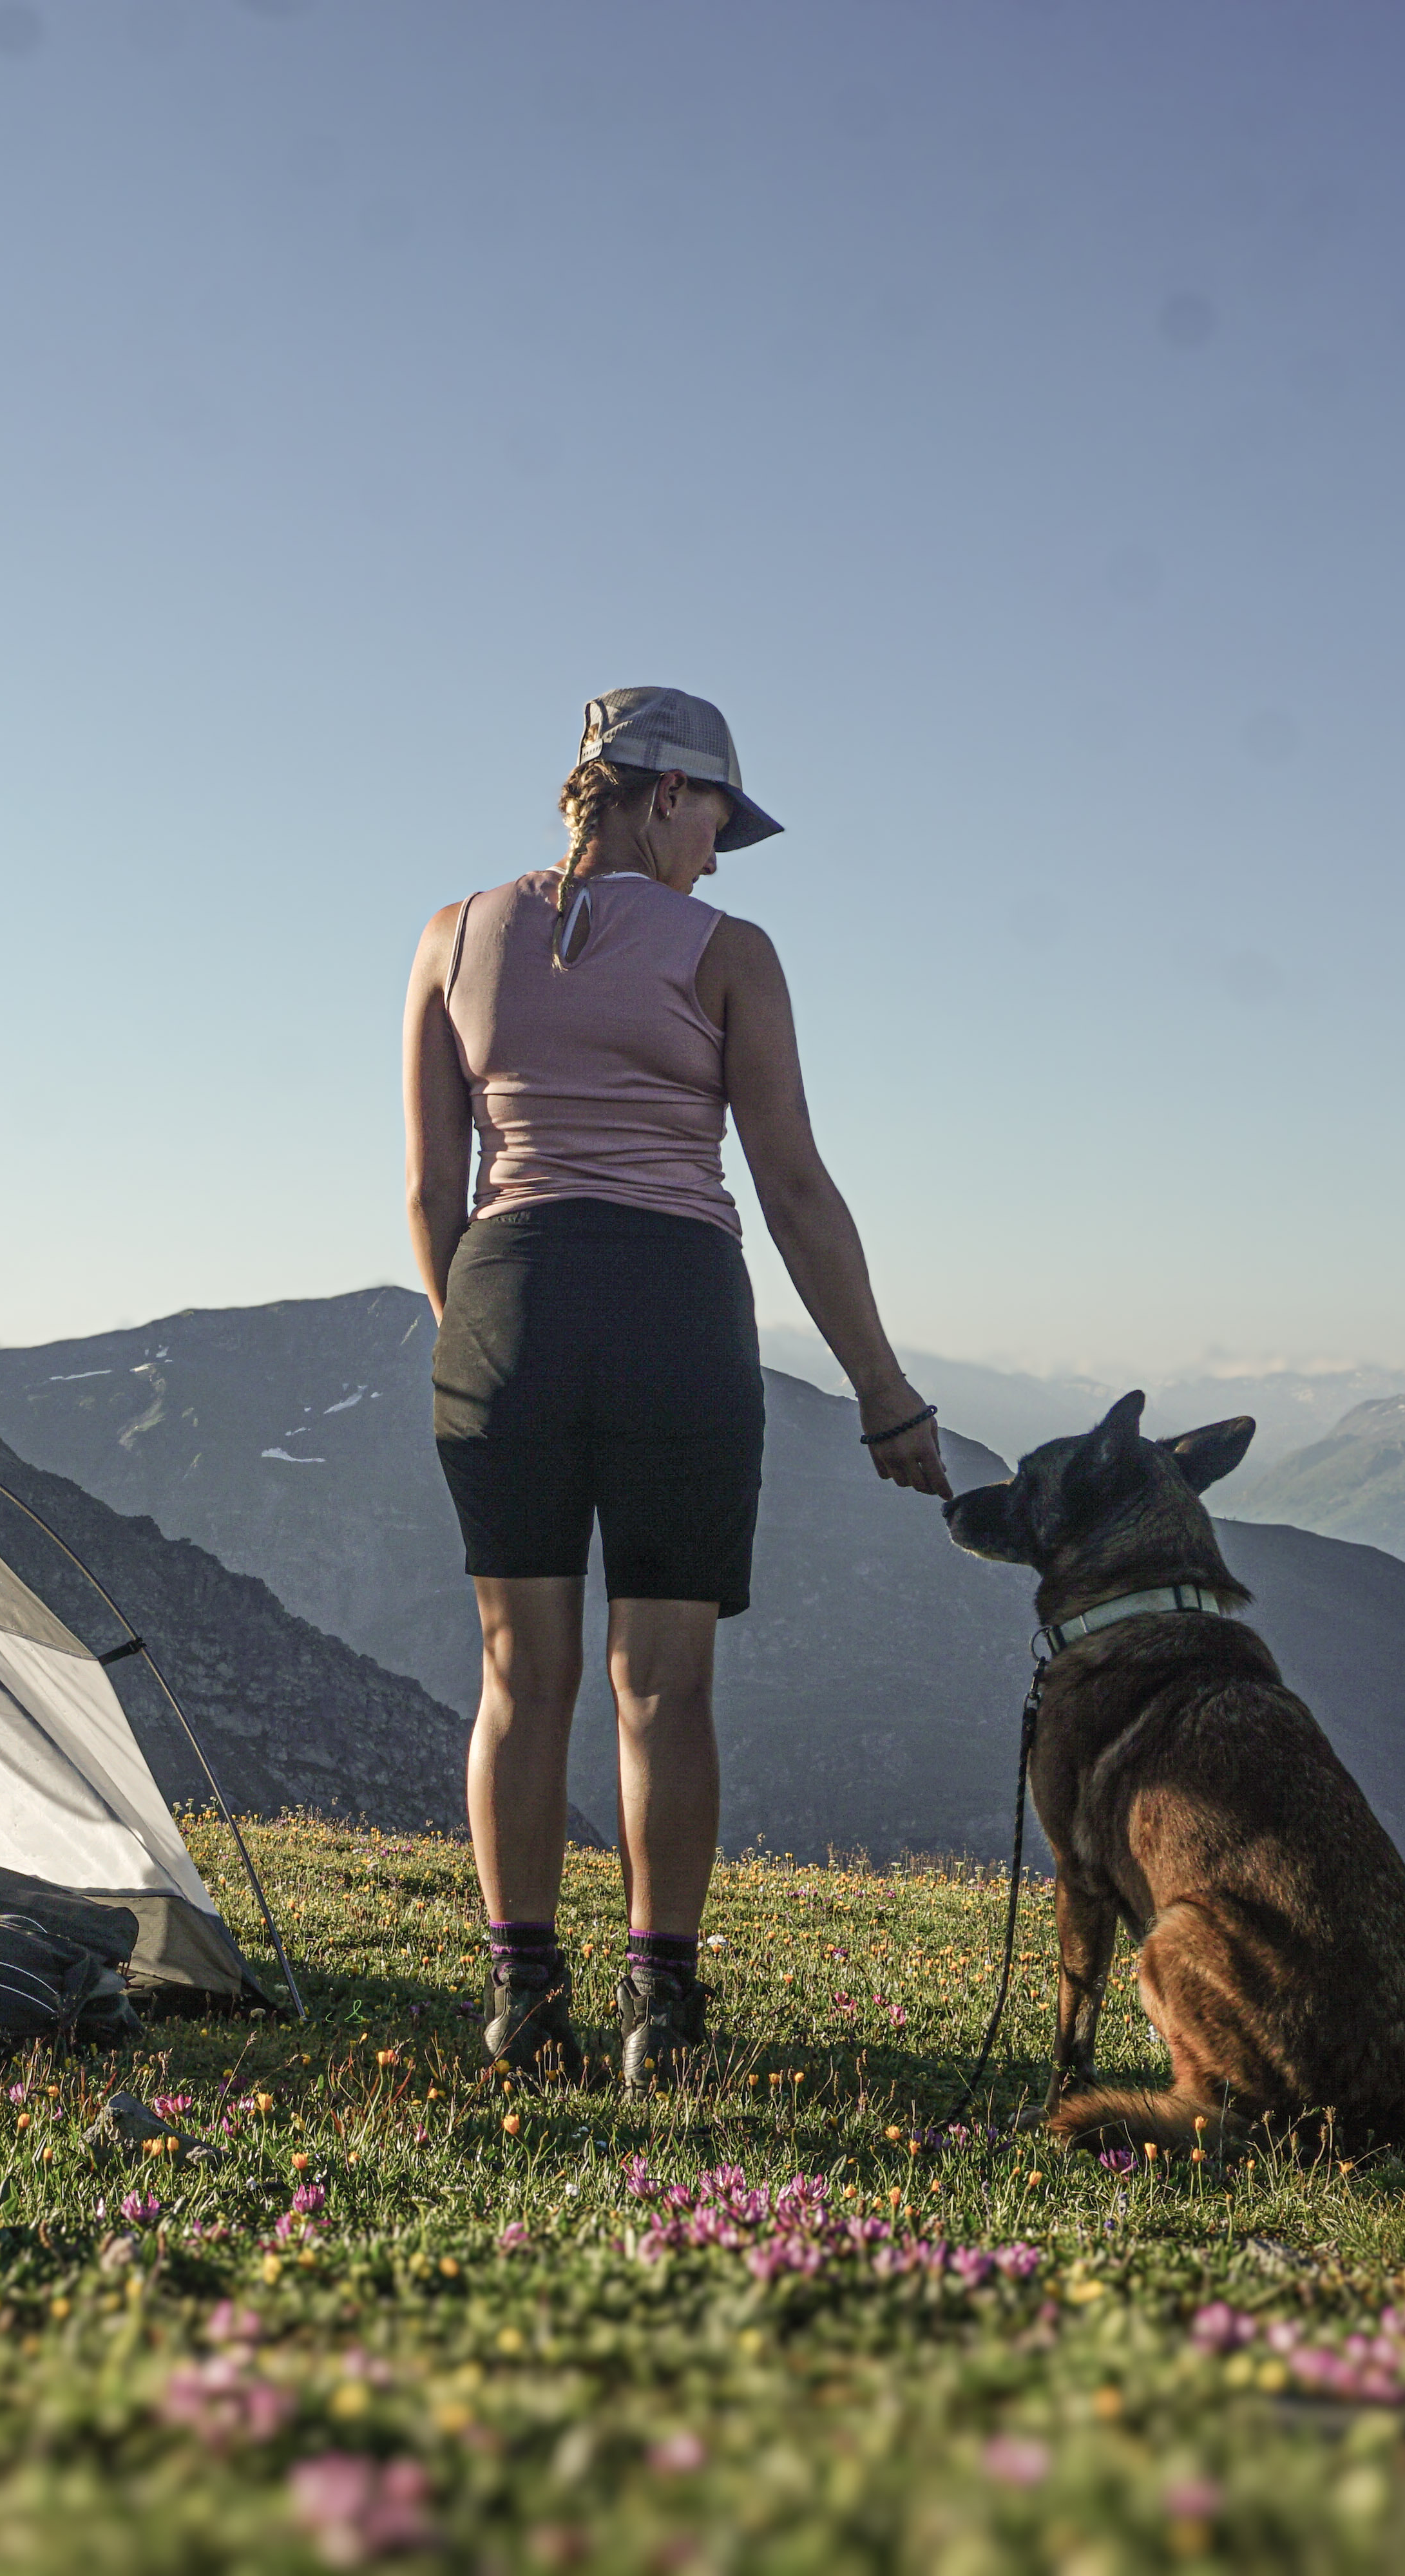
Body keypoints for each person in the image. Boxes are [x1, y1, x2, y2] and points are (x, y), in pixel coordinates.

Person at [401, 685, 953, 2092]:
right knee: (667, 1682)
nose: (721, 849)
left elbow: (429, 1189)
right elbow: (795, 1188)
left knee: (518, 1674)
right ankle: (663, 2013)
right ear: (661, 796)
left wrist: (484, 1334)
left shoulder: (449, 936)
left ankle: (523, 2003)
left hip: (506, 1300)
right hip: (672, 1315)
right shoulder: (731, 954)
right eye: (717, 816)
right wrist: (884, 1392)